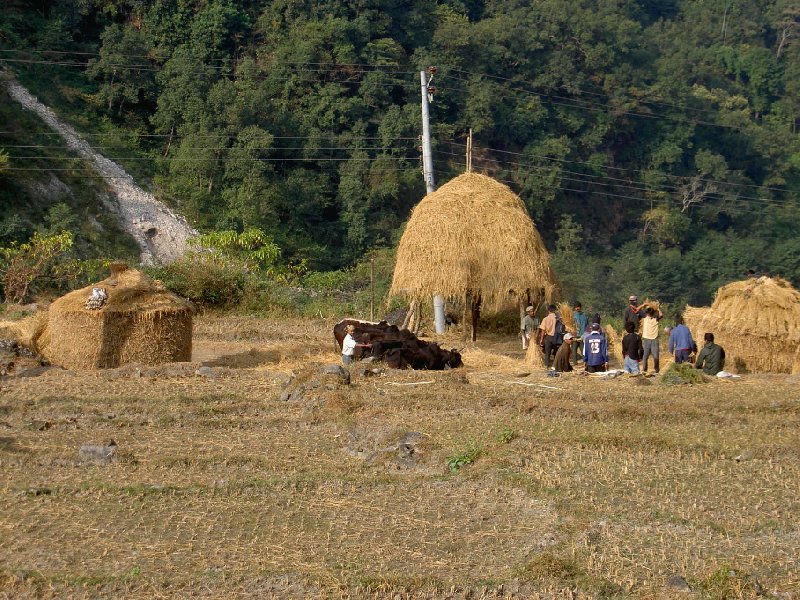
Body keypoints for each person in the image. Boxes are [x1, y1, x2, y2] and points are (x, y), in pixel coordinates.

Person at [640, 306, 663, 374]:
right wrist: (646, 304)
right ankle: (644, 369)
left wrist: (657, 308)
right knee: (645, 356)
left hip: (654, 340)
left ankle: (656, 370)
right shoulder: (645, 318)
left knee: (656, 356)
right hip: (646, 339)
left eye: (650, 313)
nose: (649, 314)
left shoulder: (656, 319)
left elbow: (661, 315)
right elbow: (639, 310)